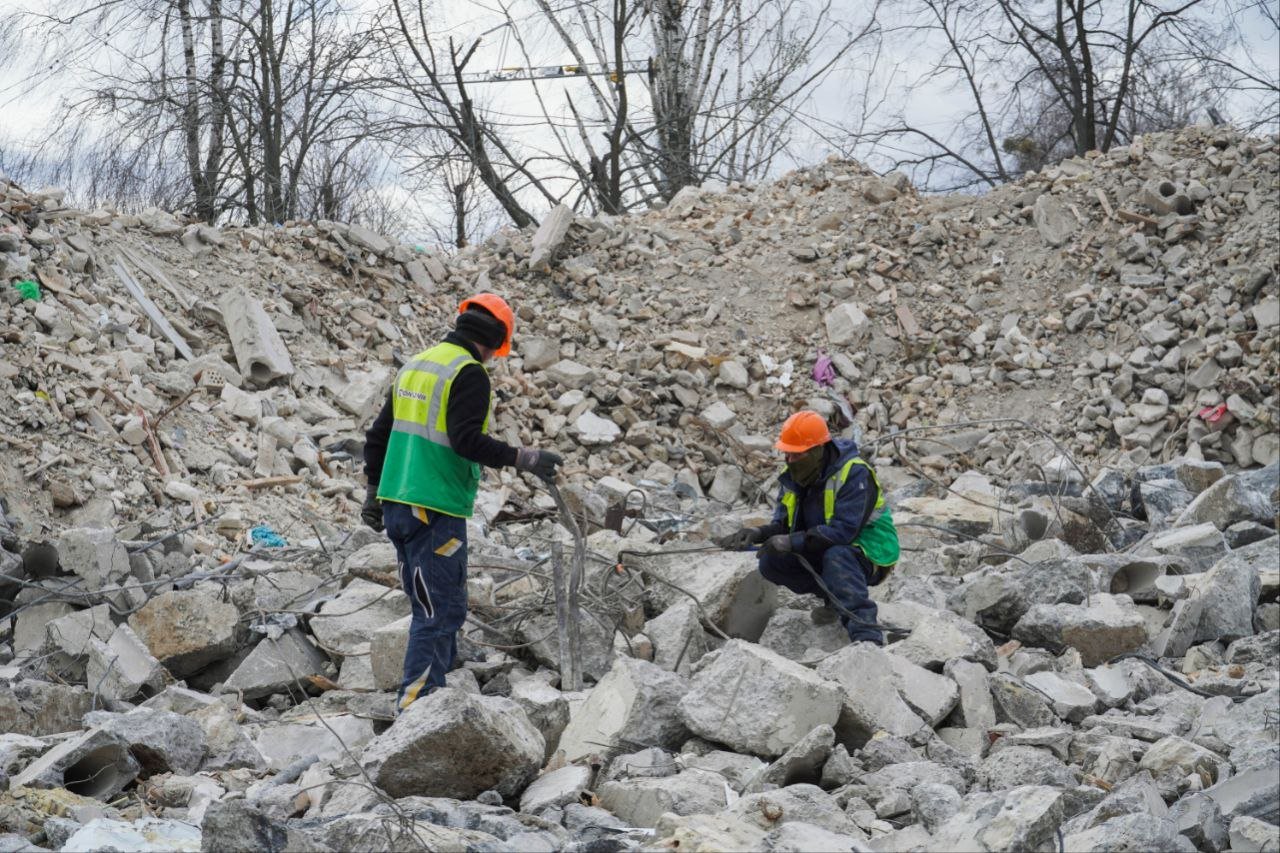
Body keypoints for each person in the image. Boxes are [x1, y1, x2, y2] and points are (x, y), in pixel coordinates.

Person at [362, 293, 563, 711]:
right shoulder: (468, 374)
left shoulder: (416, 365)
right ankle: (417, 706)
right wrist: (524, 458)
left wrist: (373, 492)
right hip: (433, 506)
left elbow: (377, 436)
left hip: (400, 503)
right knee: (434, 610)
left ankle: (445, 685)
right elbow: (466, 440)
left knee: (447, 601)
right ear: (495, 341)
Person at [718, 410, 899, 645]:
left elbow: (844, 532)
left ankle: (867, 636)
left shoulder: (854, 473)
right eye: (787, 455)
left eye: (797, 455)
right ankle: (834, 599)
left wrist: (791, 541)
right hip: (822, 544)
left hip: (870, 552)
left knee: (837, 556)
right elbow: (784, 525)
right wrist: (758, 533)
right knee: (771, 563)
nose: (790, 461)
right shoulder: (794, 478)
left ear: (818, 450)